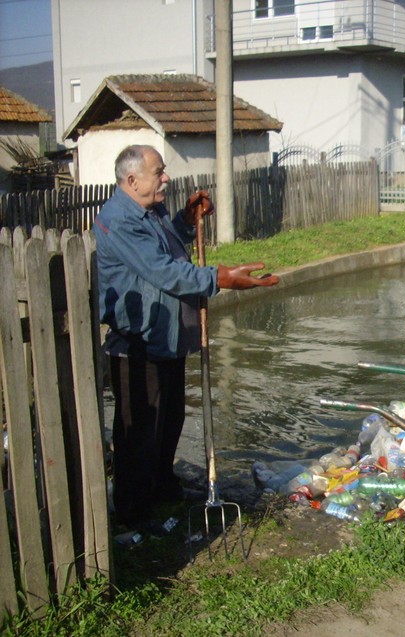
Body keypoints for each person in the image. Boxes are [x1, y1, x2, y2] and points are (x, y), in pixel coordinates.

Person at [94, 144, 280, 531]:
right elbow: (165, 272)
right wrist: (219, 278)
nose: (166, 178)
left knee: (171, 419)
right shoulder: (118, 218)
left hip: (169, 334)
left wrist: (184, 218)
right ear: (132, 180)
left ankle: (162, 487)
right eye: (158, 171)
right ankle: (132, 513)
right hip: (137, 340)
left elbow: (168, 246)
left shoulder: (152, 209)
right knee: (139, 432)